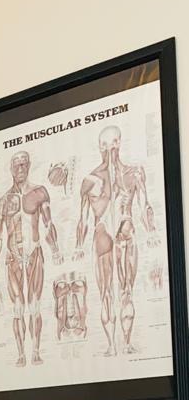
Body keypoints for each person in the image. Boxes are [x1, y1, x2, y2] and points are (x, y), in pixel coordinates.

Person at [73, 125, 159, 356]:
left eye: (113, 142)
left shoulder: (134, 173)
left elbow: (144, 204)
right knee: (106, 294)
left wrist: (151, 232)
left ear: (119, 143)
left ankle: (126, 343)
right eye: (105, 144)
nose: (109, 148)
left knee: (127, 289)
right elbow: (83, 217)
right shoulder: (90, 180)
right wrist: (79, 246)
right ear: (99, 146)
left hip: (126, 233)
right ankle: (112, 345)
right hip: (103, 235)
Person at [0, 150, 63, 366]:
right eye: (16, 165)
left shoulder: (39, 192)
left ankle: (36, 351)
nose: (20, 168)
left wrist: (55, 249)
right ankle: (21, 353)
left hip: (34, 254)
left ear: (29, 166)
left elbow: (48, 223)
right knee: (18, 308)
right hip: (13, 258)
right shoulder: (3, 201)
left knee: (35, 305)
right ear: (11, 168)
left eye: (24, 164)